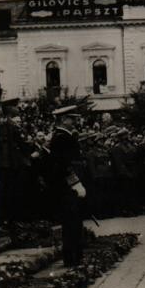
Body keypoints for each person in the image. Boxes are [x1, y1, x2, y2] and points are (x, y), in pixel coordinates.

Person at [48, 106, 86, 267]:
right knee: (71, 222)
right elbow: (64, 165)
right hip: (67, 187)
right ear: (63, 120)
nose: (76, 121)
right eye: (72, 118)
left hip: (69, 186)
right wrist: (76, 183)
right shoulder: (61, 138)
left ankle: (75, 257)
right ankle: (72, 258)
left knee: (74, 221)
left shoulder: (65, 136)